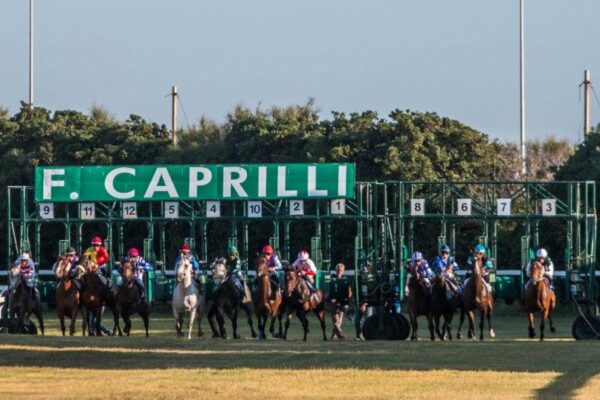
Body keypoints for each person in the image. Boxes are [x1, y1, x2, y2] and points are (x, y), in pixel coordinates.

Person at [328, 263, 352, 340]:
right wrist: (331, 298)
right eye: (338, 270)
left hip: (342, 301)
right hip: (333, 301)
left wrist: (347, 298)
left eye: (341, 270)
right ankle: (339, 331)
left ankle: (334, 335)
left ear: (343, 271)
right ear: (335, 270)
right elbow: (328, 289)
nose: (339, 272)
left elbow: (349, 291)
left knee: (340, 317)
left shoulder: (346, 279)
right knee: (335, 319)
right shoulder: (331, 278)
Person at [354, 262, 374, 340]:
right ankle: (359, 335)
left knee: (368, 320)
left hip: (368, 304)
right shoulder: (357, 280)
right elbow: (355, 292)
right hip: (359, 303)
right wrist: (359, 303)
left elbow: (370, 292)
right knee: (357, 321)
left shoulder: (371, 280)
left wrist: (365, 303)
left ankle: (368, 335)